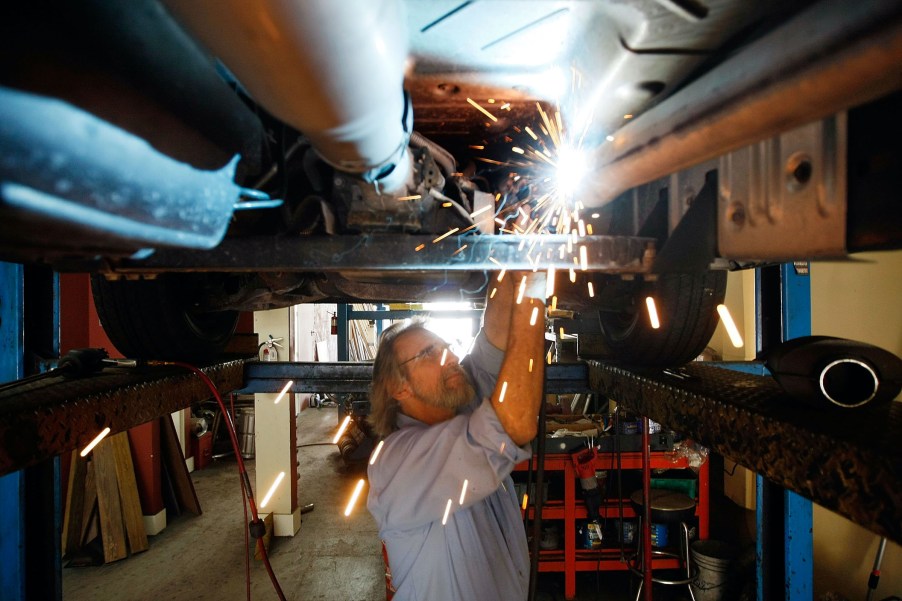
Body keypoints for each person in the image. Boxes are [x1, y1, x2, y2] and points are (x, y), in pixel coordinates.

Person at [367, 270, 547, 601]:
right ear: (397, 387)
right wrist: (534, 288)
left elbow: (497, 335)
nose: (449, 358)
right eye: (428, 354)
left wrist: (518, 255)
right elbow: (515, 424)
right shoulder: (397, 462)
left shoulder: (464, 407)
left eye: (445, 347)